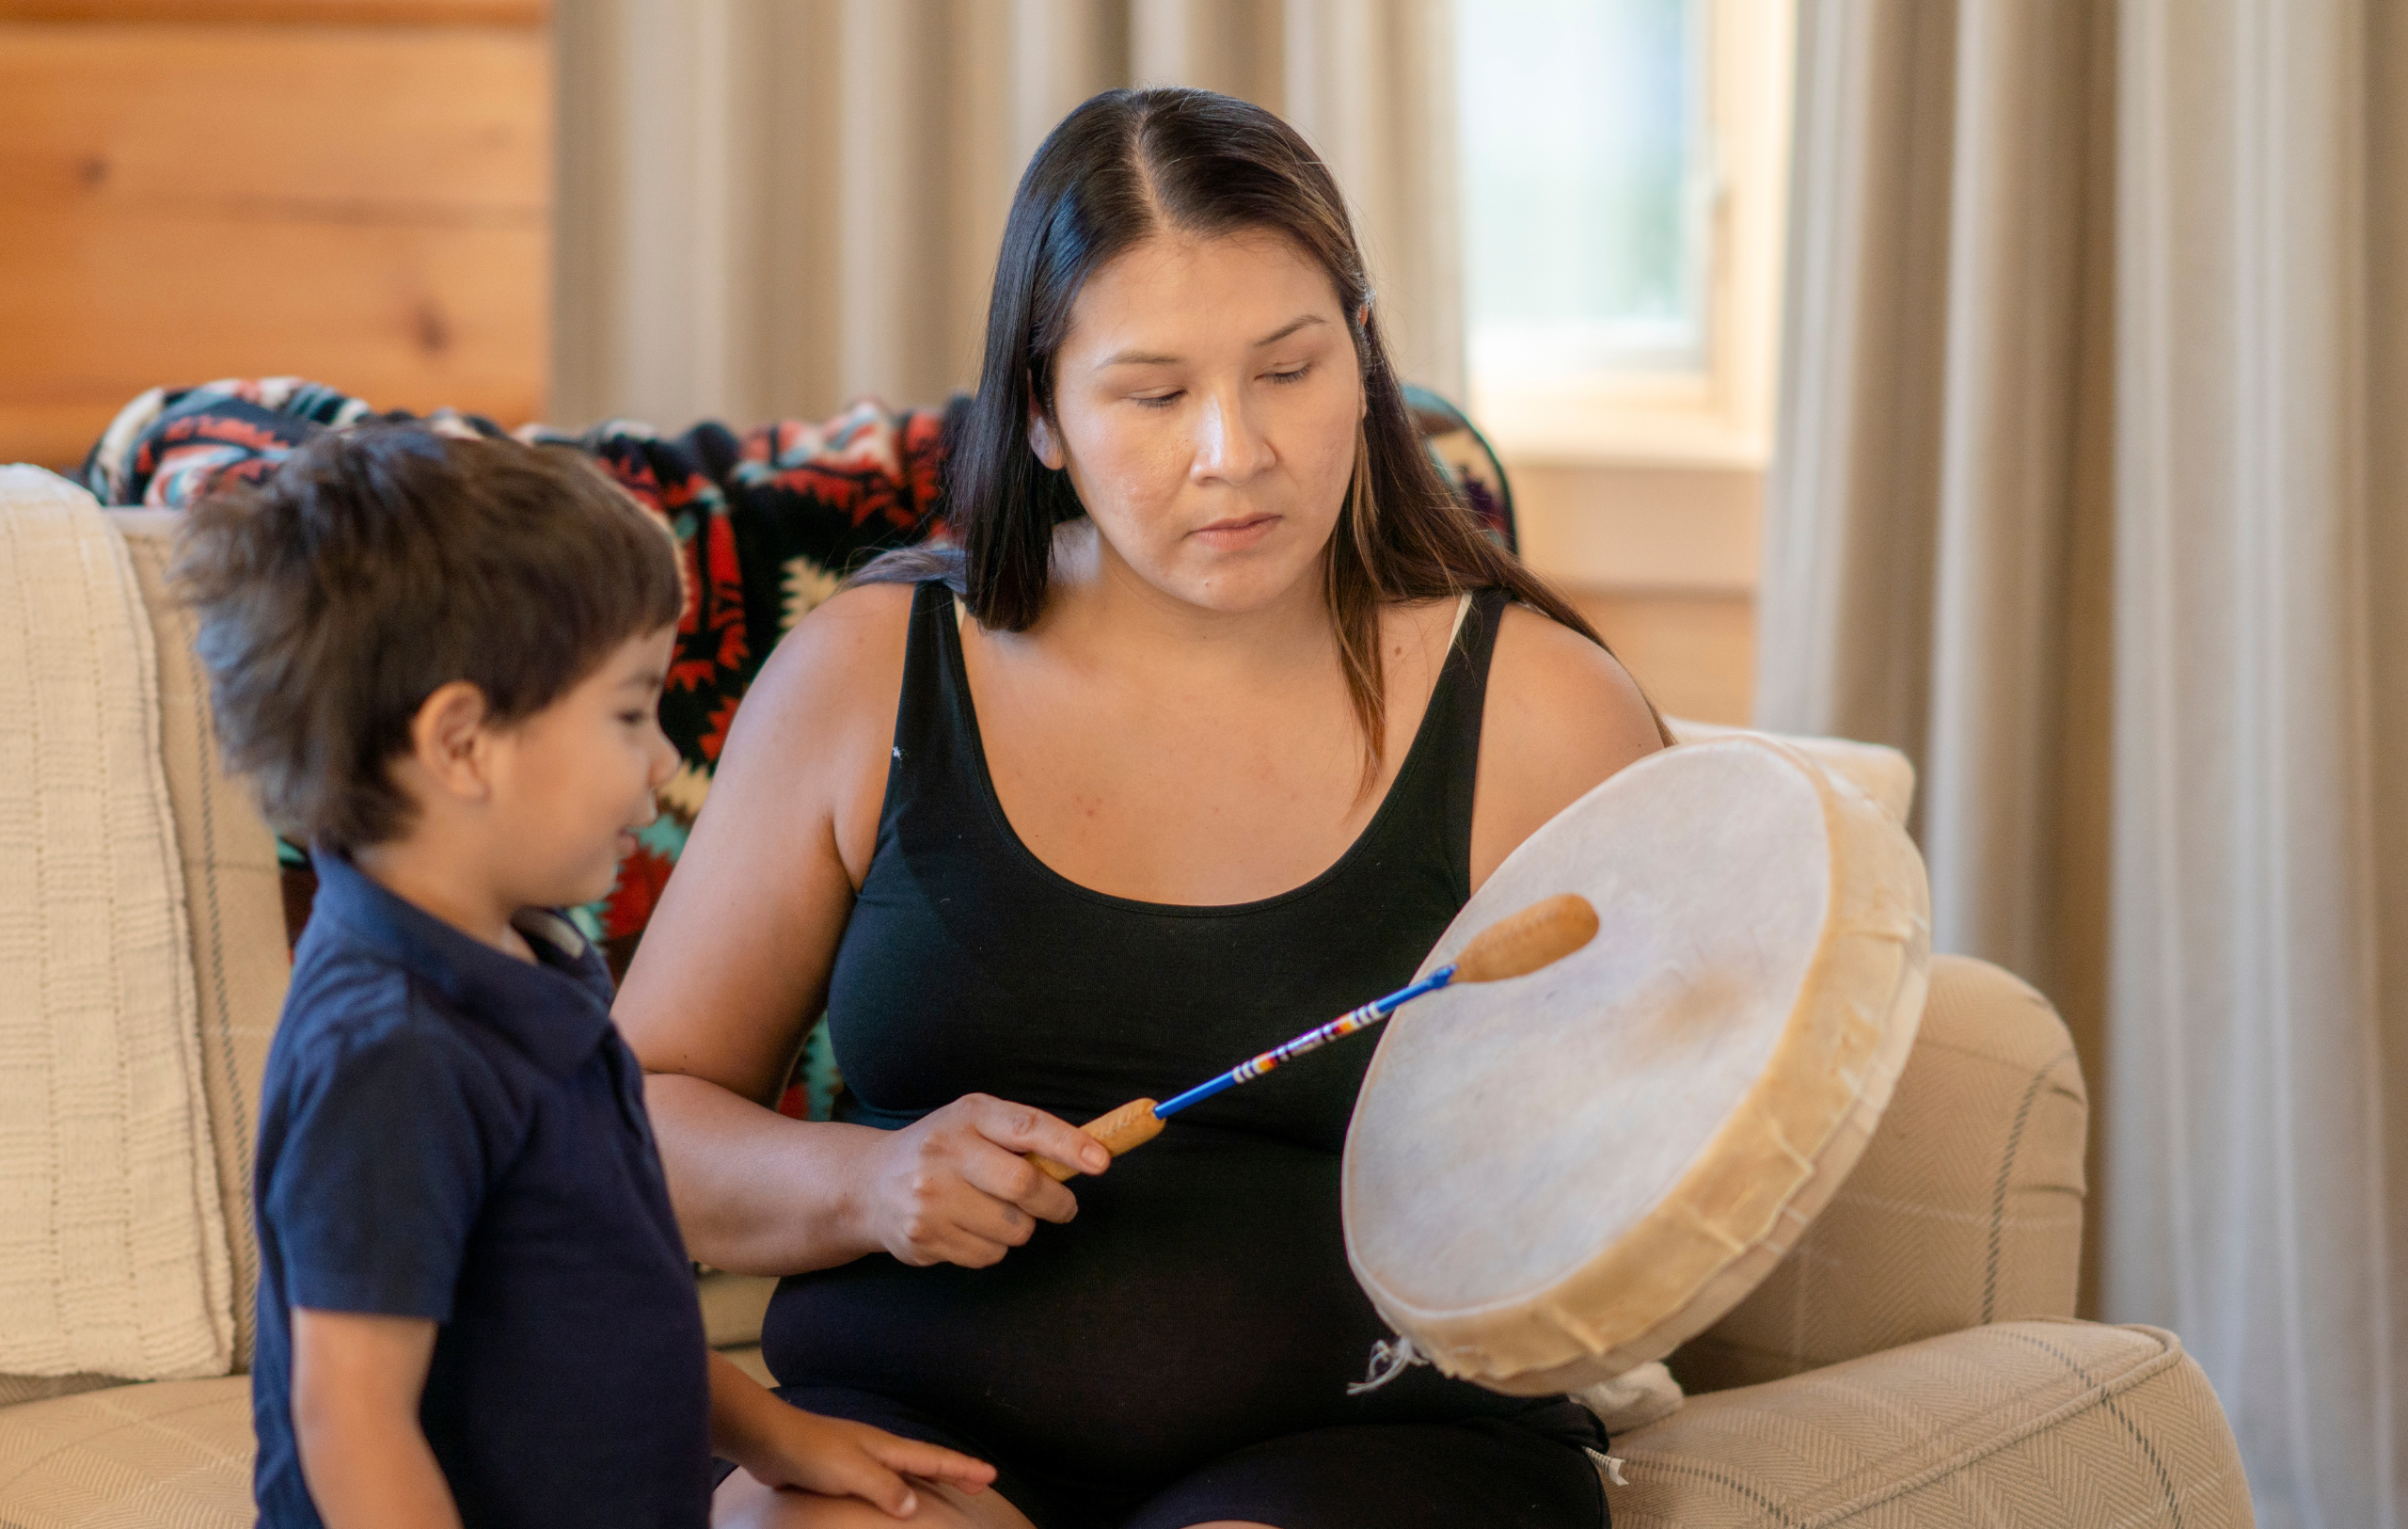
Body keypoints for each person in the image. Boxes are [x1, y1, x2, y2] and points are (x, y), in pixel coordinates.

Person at [617, 88, 1666, 1529]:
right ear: (1040, 412)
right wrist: (871, 1182)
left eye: (1289, 371)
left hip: (1377, 1446)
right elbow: (623, 1128)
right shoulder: (869, 674)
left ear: (1363, 363)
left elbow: (1674, 1147)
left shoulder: (1543, 711)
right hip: (904, 1439)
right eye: (1155, 394)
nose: (1232, 450)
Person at [176, 427, 996, 1529]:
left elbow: (611, 1296)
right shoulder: (387, 1053)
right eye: (627, 712)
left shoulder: (534, 960)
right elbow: (350, 1424)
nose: (664, 761)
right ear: (462, 744)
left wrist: (782, 1437)